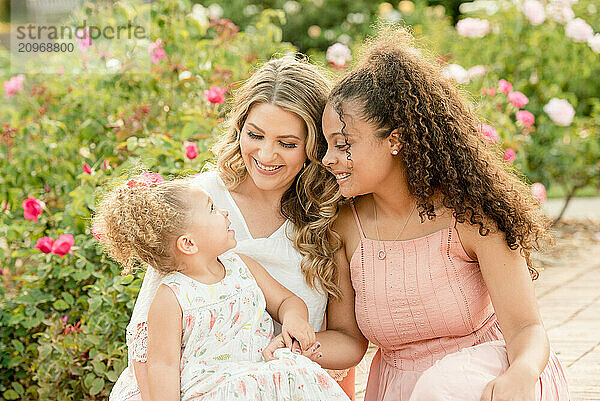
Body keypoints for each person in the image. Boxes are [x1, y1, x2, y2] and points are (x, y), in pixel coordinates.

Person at [266, 26, 570, 400]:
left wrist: (521, 373)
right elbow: (348, 339)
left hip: (493, 379)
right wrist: (293, 348)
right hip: (398, 388)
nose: (328, 159)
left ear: (395, 140)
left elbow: (526, 327)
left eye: (343, 145)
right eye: (328, 144)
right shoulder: (346, 226)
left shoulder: (471, 217)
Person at [114, 56, 356, 400]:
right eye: (255, 135)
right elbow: (146, 346)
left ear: (314, 147)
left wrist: (291, 353)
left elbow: (348, 340)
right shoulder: (198, 203)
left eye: (287, 143)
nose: (266, 154)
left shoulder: (329, 214)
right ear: (239, 128)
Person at [94, 175, 350, 401]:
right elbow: (163, 365)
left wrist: (294, 320)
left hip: (258, 380)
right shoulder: (171, 296)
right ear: (189, 243)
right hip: (207, 390)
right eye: (213, 209)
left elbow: (287, 301)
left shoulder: (242, 267)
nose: (224, 212)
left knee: (299, 375)